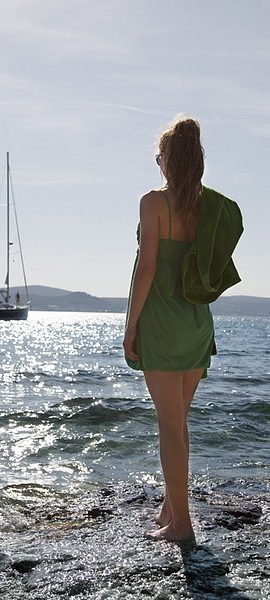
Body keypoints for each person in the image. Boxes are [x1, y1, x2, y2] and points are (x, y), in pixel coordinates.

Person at [123, 115, 242, 543]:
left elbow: (148, 268)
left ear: (168, 161)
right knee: (180, 422)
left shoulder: (154, 203)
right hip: (196, 320)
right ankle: (170, 508)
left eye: (160, 157)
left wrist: (131, 326)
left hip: (162, 319)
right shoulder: (209, 205)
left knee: (169, 425)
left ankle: (182, 526)